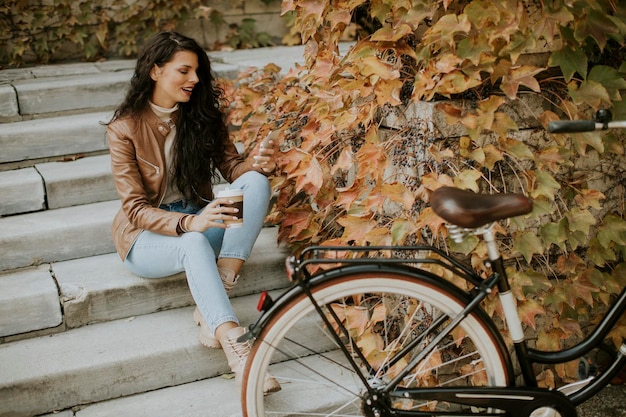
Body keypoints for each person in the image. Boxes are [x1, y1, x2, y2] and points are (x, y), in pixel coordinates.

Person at [105, 31, 280, 394]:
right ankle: (240, 354)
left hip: (200, 218)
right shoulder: (124, 130)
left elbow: (232, 169)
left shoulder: (200, 115)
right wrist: (189, 222)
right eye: (184, 71)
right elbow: (135, 209)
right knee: (194, 242)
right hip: (146, 238)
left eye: (197, 71)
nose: (195, 79)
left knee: (256, 184)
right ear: (155, 71)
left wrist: (255, 166)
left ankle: (219, 288)